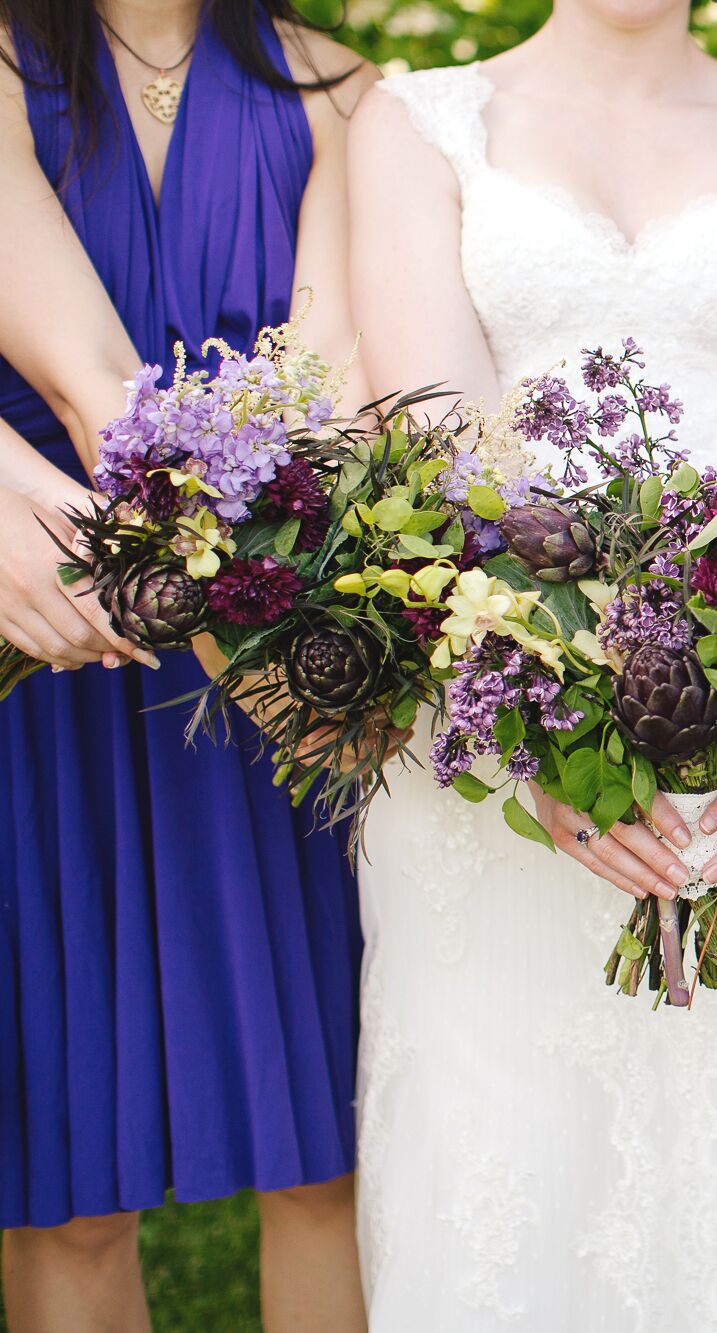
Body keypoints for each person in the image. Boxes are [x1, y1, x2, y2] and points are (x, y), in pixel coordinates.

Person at [343, 1, 717, 1325]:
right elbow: (436, 456)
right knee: (511, 1170)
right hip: (496, 732)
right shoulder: (417, 121)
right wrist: (547, 724)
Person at [0, 2, 374, 1329]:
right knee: (67, 1187)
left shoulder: (337, 85)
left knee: (325, 1152)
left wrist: (281, 656)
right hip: (53, 662)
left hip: (281, 646)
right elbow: (95, 379)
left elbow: (332, 397)